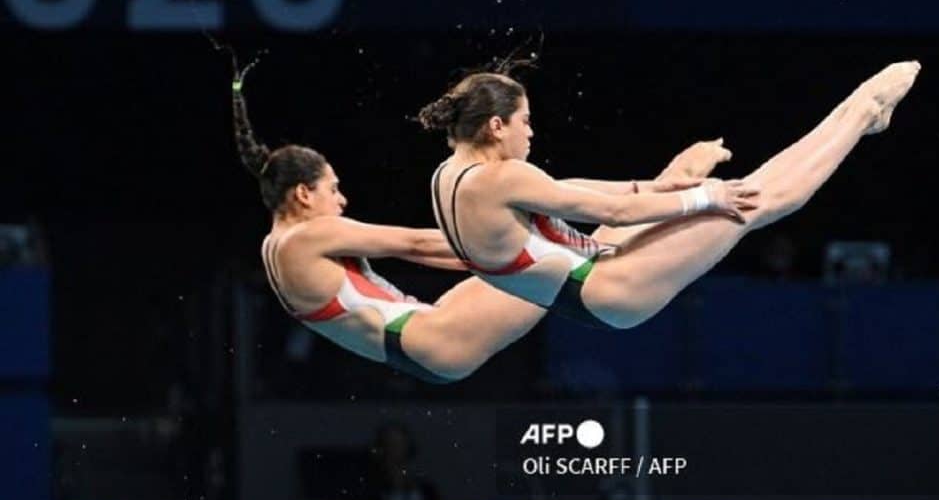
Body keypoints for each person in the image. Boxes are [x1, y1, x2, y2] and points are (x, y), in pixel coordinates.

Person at [231, 71, 730, 383]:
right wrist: (482, 242)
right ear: (302, 194)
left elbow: (432, 253)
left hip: (421, 338)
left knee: (544, 233)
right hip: (433, 339)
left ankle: (658, 188)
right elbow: (411, 242)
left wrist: (483, 246)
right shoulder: (309, 236)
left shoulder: (273, 247)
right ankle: (675, 186)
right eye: (332, 189)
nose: (341, 199)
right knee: (559, 250)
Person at [421, 62, 921, 329]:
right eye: (525, 122)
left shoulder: (449, 177)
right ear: (495, 125)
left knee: (727, 195)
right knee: (751, 202)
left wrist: (655, 188)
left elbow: (567, 192)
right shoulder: (503, 178)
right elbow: (610, 210)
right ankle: (863, 111)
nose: (531, 133)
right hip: (610, 287)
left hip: (591, 289)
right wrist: (705, 198)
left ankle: (859, 115)